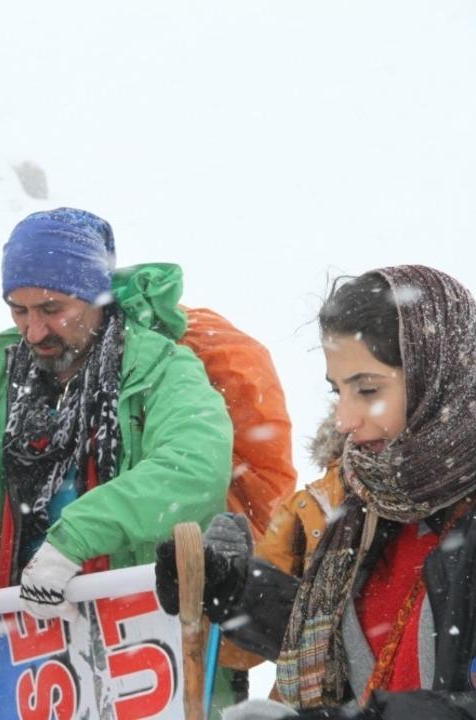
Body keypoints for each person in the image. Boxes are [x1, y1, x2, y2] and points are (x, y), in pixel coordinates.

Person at [159, 266, 476, 719]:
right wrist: (234, 589)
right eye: (337, 391)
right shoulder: (375, 504)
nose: (344, 420)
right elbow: (332, 643)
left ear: (440, 379)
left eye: (367, 389)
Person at [0, 207, 235, 701]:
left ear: (96, 297)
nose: (34, 331)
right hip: (30, 662)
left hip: (149, 652)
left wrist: (73, 538)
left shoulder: (161, 369)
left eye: (52, 308)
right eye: (19, 310)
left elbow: (193, 466)